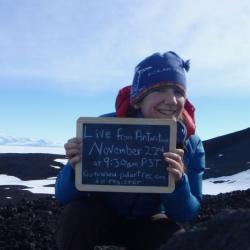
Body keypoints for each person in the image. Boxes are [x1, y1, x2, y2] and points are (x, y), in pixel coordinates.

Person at [55, 51, 205, 250]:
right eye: (159, 89)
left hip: (148, 222)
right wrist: (74, 169)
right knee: (77, 214)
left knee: (174, 238)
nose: (172, 100)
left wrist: (178, 183)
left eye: (178, 92)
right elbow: (63, 196)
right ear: (138, 99)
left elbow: (187, 213)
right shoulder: (102, 128)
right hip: (103, 215)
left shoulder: (190, 143)